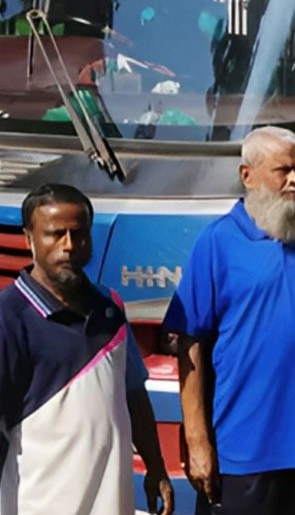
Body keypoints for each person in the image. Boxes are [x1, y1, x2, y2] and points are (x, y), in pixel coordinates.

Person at [163, 127, 295, 515]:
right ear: (248, 175)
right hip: (244, 452)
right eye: (284, 171)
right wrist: (197, 442)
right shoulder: (218, 242)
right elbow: (189, 346)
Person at [0, 183, 173, 515]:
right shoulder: (8, 319)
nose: (69, 246)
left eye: (78, 234)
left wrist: (156, 466)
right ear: (29, 240)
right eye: (55, 234)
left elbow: (133, 394)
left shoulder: (110, 307)